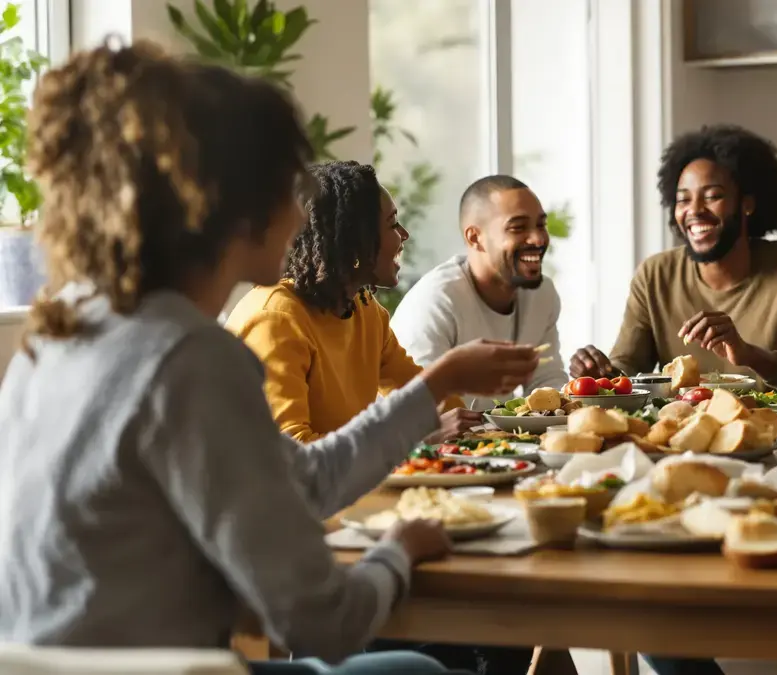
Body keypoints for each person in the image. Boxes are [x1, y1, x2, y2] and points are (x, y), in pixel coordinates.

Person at [0, 41, 537, 675]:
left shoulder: (66, 328)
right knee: (417, 671)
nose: (302, 211)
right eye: (292, 186)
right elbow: (321, 621)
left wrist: (431, 389)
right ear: (236, 207)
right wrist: (396, 553)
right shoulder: (194, 359)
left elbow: (299, 481)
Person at [570, 124, 777, 390]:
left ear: (747, 203)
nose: (694, 210)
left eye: (712, 196)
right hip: (681, 437)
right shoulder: (655, 275)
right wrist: (598, 373)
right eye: (683, 199)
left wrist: (751, 356)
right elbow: (626, 369)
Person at [225, 160, 481, 445]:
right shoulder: (275, 318)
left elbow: (423, 396)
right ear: (355, 240)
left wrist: (483, 431)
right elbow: (290, 453)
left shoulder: (365, 310)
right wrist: (415, 435)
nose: (404, 235)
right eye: (393, 223)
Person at [392, 175, 568, 409]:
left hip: (497, 441)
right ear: (475, 238)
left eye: (540, 225)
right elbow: (413, 405)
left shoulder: (543, 294)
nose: (538, 238)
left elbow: (547, 381)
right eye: (518, 227)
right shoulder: (436, 301)